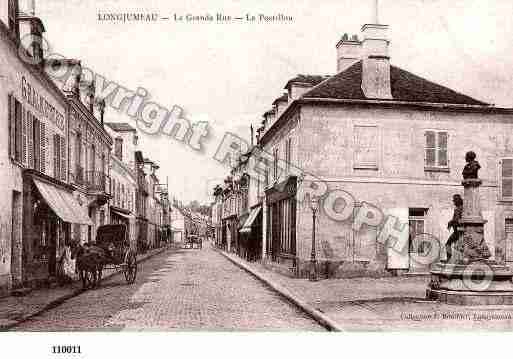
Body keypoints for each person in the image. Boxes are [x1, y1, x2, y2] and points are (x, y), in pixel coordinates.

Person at [446, 194, 463, 261]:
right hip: (456, 230)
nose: (454, 203)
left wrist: (451, 221)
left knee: (449, 244)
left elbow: (458, 219)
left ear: (458, 201)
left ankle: (449, 259)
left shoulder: (461, 208)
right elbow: (455, 219)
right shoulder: (457, 209)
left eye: (454, 201)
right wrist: (451, 223)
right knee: (448, 244)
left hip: (459, 231)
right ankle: (449, 259)